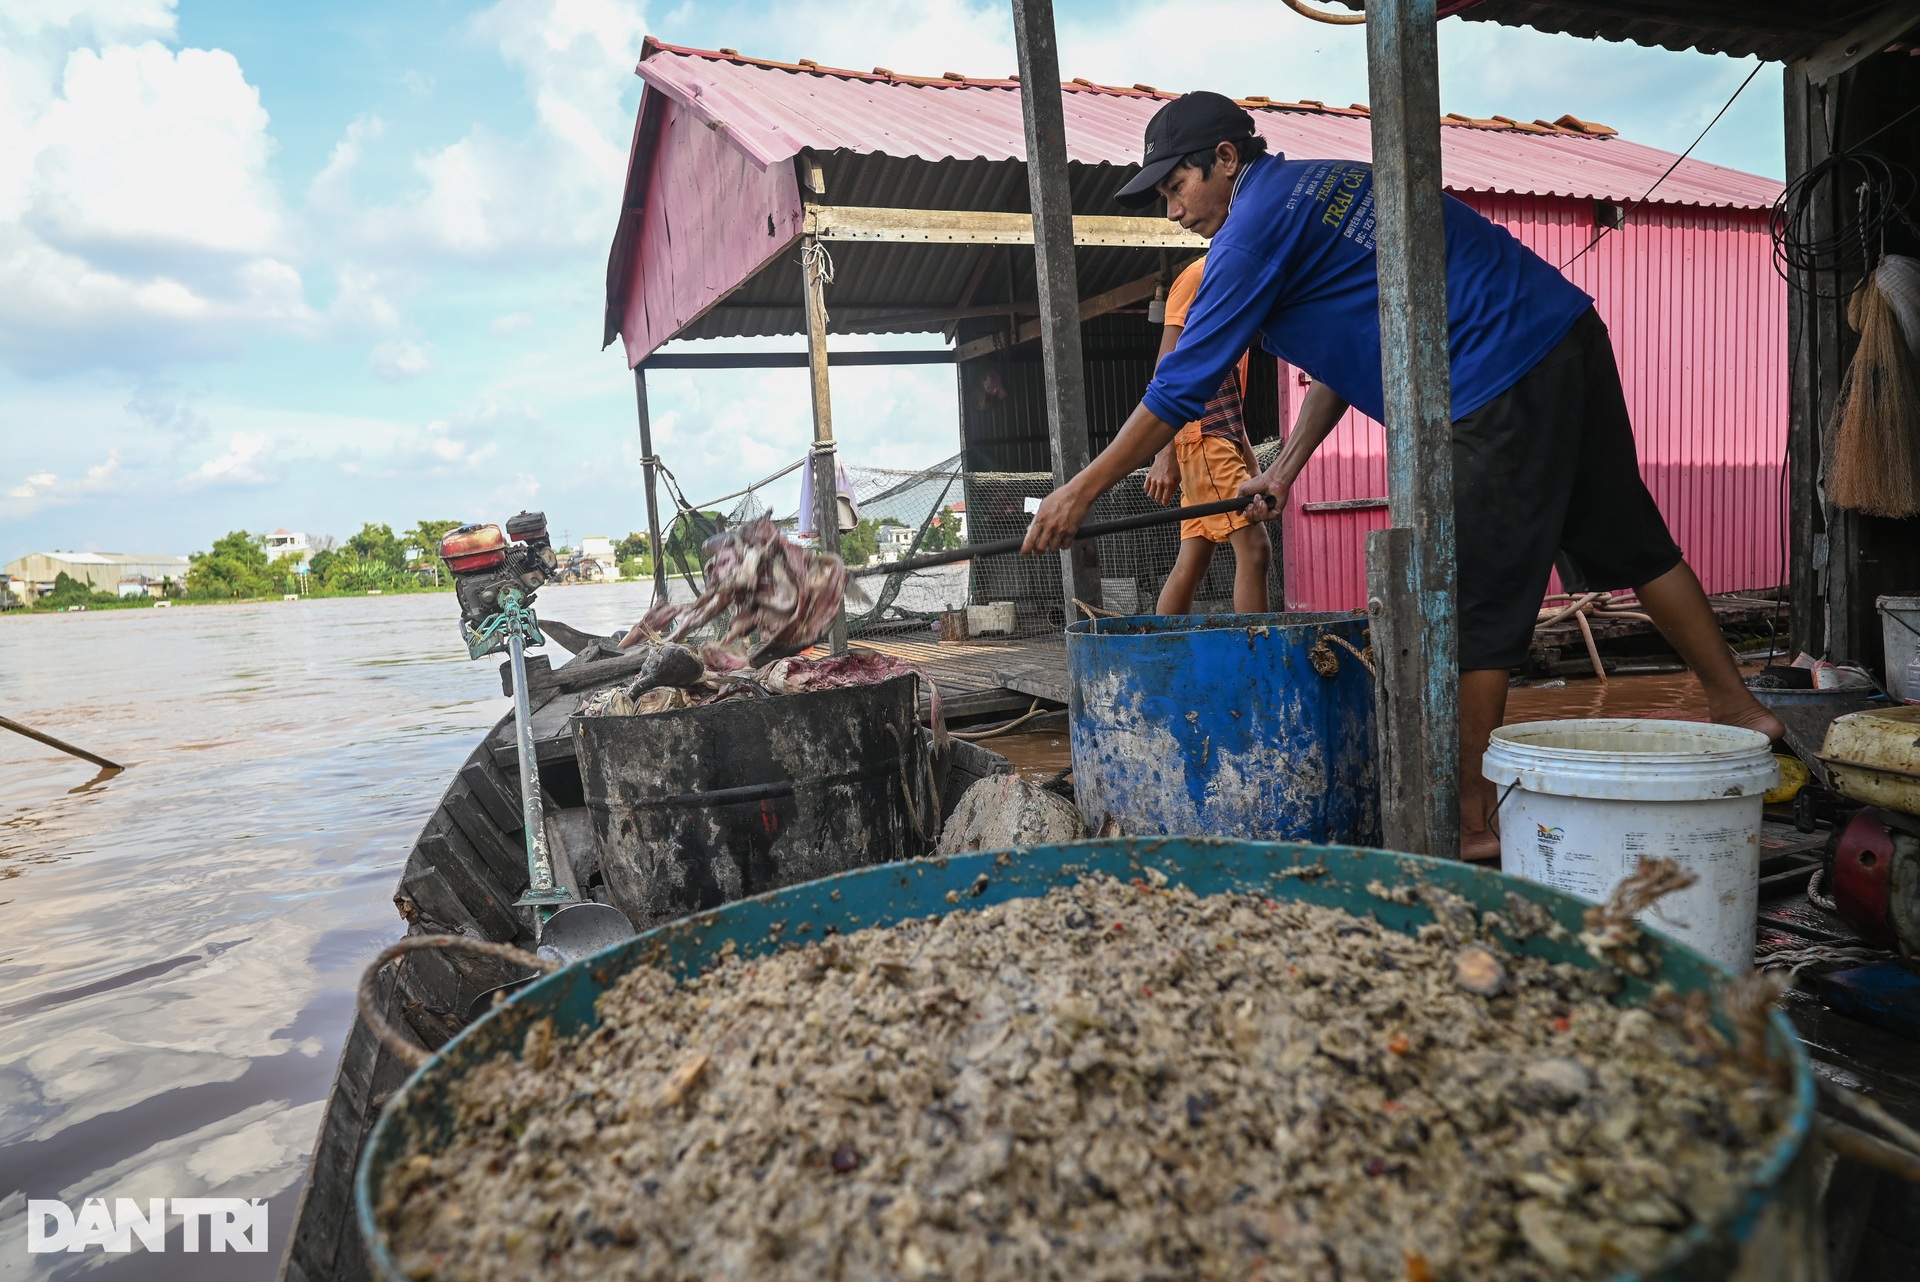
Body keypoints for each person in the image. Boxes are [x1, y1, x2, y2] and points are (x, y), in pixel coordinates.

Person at [1020, 91, 1783, 860]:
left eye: (1177, 187)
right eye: (1161, 197)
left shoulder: (1249, 234)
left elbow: (1179, 387)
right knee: (1633, 539)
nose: (1173, 211)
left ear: (1225, 158)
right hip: (1563, 334)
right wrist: (1284, 468)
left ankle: (1468, 821)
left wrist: (1080, 490)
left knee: (1470, 604)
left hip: (1493, 376)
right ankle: (1738, 706)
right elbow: (1351, 355)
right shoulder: (1319, 185)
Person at [1144, 254, 1272, 614]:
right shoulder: (1197, 276)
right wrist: (1164, 453)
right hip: (1203, 436)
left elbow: (1231, 397)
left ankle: (1164, 656)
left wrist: (1252, 465)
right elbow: (1167, 372)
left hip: (1216, 435)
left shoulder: (1243, 283)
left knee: (1193, 561)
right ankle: (1258, 661)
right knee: (1255, 550)